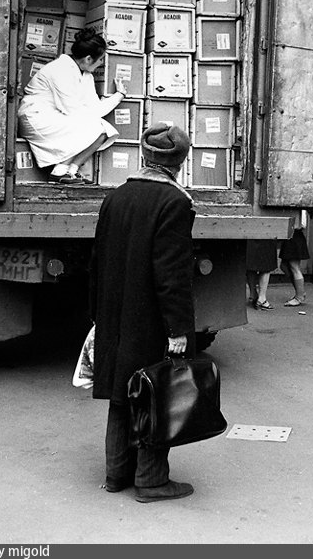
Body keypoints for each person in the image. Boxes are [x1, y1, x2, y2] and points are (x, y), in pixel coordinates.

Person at [90, 123, 196, 503]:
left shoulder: (115, 198)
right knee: (156, 394)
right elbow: (172, 274)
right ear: (179, 162)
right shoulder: (175, 203)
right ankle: (150, 479)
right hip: (150, 318)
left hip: (115, 316)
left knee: (123, 391)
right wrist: (179, 328)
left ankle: (116, 473)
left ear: (145, 156)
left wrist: (97, 315)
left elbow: (97, 261)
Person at [18, 26, 126, 185]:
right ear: (89, 59)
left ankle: (71, 171)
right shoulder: (60, 69)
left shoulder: (86, 76)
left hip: (58, 117)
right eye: (101, 59)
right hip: (36, 118)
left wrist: (119, 95)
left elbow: (95, 110)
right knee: (93, 126)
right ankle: (59, 171)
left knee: (104, 130)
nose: (102, 63)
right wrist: (106, 104)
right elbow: (72, 111)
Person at [279, 210, 310, 307]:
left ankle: (299, 297)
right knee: (284, 266)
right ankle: (300, 292)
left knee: (294, 266)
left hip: (295, 233)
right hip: (292, 233)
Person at [246, 239, 278, 310]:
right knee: (266, 264)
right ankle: (262, 298)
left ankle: (253, 294)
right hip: (267, 233)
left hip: (250, 232)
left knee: (250, 264)